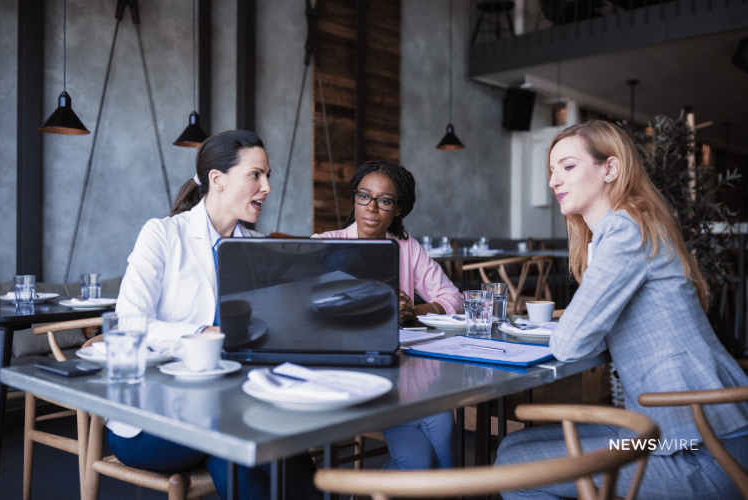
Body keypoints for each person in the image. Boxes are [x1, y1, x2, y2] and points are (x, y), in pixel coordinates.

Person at [494, 120, 748, 499]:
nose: (553, 181)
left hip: (699, 449)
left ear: (610, 169)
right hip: (660, 435)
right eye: (551, 170)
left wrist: (564, 328)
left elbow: (572, 341)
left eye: (567, 166)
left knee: (517, 467)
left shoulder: (625, 229)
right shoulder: (624, 229)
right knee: (512, 449)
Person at [114, 130, 321, 500]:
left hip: (232, 402)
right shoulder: (162, 235)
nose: (267, 187)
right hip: (151, 417)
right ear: (217, 180)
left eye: (268, 175)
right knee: (248, 436)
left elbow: (269, 329)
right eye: (255, 175)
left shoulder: (257, 247)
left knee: (253, 444)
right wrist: (204, 333)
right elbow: (130, 324)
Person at [314, 160, 460, 470]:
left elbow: (453, 298)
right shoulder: (325, 246)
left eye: (385, 200)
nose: (371, 208)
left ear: (397, 209)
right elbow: (312, 313)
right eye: (364, 196)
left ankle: (447, 491)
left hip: (400, 371)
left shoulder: (406, 248)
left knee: (424, 451)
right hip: (349, 375)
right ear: (354, 198)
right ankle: (454, 492)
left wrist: (414, 312)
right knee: (437, 425)